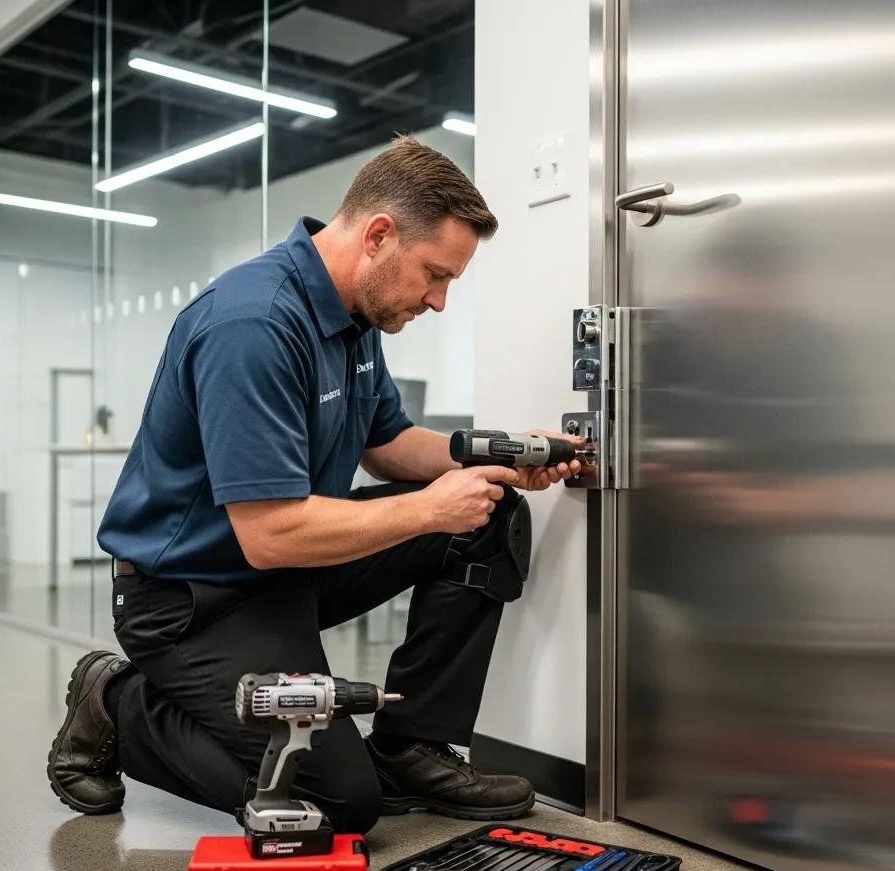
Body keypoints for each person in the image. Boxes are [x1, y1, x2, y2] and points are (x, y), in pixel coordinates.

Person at [46, 135, 582, 834]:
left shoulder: (356, 319)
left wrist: (498, 457)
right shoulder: (254, 325)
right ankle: (113, 698)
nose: (441, 300)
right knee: (335, 805)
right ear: (379, 236)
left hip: (284, 573)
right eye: (435, 274)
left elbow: (388, 445)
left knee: (486, 516)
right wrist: (427, 510)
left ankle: (409, 747)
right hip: (192, 600)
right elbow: (269, 535)